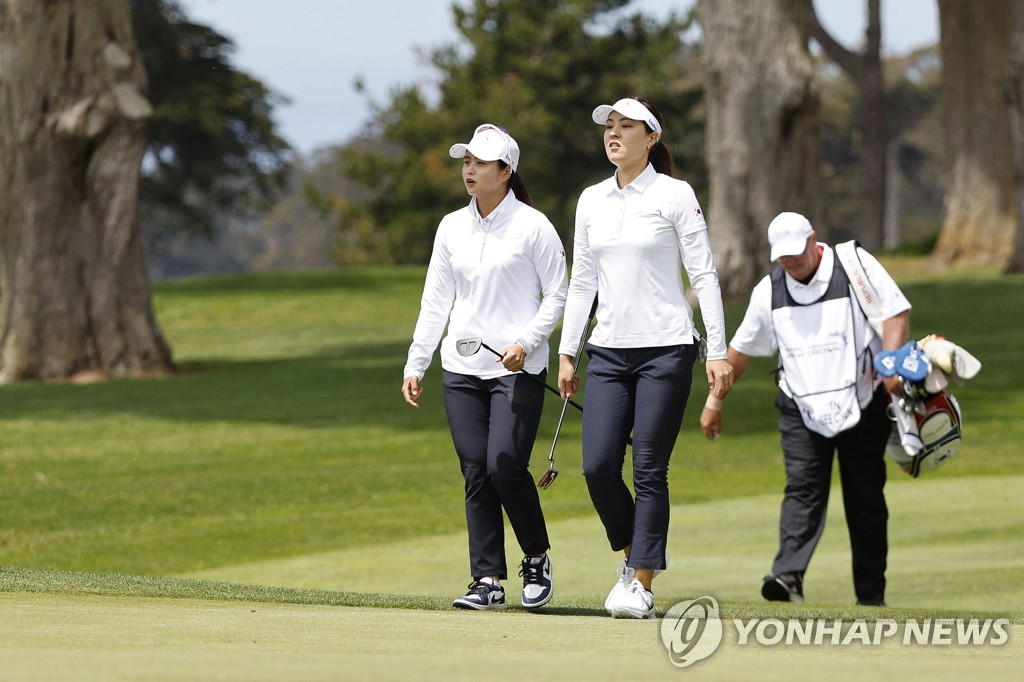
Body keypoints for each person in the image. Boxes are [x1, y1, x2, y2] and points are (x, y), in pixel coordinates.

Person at [557, 97, 733, 619]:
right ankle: (637, 552)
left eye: (625, 126)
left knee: (650, 470)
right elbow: (582, 280)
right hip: (608, 350)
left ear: (651, 138)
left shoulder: (676, 195)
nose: (613, 134)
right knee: (597, 467)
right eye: (609, 127)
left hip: (666, 349)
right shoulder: (591, 200)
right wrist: (567, 352)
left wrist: (717, 351)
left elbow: (703, 274)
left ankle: (640, 584)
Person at [700, 212, 911, 607]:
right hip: (801, 406)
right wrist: (715, 400)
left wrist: (894, 364)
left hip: (863, 400)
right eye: (783, 258)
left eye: (797, 254)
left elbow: (895, 312)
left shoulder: (854, 265)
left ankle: (871, 596)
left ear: (814, 240)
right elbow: (742, 349)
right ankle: (788, 576)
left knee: (865, 500)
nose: (791, 263)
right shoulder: (770, 289)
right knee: (802, 491)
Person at [402, 124, 568, 611]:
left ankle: (535, 557)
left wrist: (527, 340)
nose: (469, 170)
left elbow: (558, 293)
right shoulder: (451, 226)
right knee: (476, 469)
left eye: (480, 163)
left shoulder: (534, 227)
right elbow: (436, 301)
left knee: (504, 464)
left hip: (518, 368)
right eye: (466, 162)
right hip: (461, 368)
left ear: (506, 171)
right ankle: (488, 580)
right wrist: (417, 362)